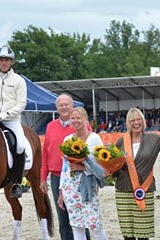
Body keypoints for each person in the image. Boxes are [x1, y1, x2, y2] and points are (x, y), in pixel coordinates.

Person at [114, 107, 160, 240]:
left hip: (144, 190)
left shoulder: (154, 139)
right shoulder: (121, 141)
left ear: (143, 122)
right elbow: (114, 164)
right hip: (123, 190)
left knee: (143, 233)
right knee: (128, 233)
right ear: (128, 123)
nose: (136, 123)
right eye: (132, 120)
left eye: (138, 120)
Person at [40, 93, 92, 240]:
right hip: (57, 177)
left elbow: (91, 152)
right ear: (57, 108)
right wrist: (43, 177)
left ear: (72, 106)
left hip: (79, 176)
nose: (64, 107)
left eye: (66, 104)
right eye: (61, 105)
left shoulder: (83, 125)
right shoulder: (50, 126)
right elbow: (46, 153)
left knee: (80, 216)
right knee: (63, 217)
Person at [0, 45, 27, 198]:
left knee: (20, 146)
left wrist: (6, 114)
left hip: (11, 120)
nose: (4, 62)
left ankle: (16, 183)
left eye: (7, 60)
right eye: (1, 59)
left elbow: (21, 103)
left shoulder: (19, 81)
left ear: (11, 62)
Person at [58, 107, 108, 240]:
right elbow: (64, 167)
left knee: (95, 225)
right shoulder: (67, 139)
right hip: (70, 188)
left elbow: (101, 165)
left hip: (88, 186)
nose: (75, 121)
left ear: (85, 120)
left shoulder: (94, 138)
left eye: (78, 118)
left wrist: (83, 168)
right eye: (73, 118)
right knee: (76, 226)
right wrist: (61, 191)